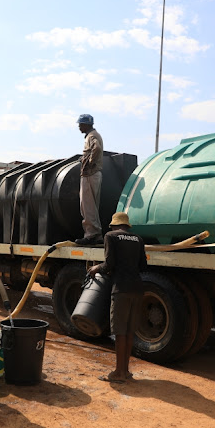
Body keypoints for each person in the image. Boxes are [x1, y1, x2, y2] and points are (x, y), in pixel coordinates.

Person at [87, 212, 147, 383]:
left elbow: (109, 264)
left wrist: (96, 268)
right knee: (129, 331)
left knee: (119, 331)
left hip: (121, 289)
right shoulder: (138, 239)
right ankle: (126, 371)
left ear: (114, 225)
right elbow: (143, 266)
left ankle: (118, 373)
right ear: (127, 226)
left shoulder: (110, 236)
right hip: (137, 289)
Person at [75, 113, 104, 246]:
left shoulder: (92, 136)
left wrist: (89, 162)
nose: (79, 127)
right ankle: (96, 235)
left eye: (80, 124)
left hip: (90, 174)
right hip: (94, 174)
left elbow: (96, 148)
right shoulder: (93, 135)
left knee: (87, 206)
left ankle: (91, 234)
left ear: (86, 124)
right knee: (91, 206)